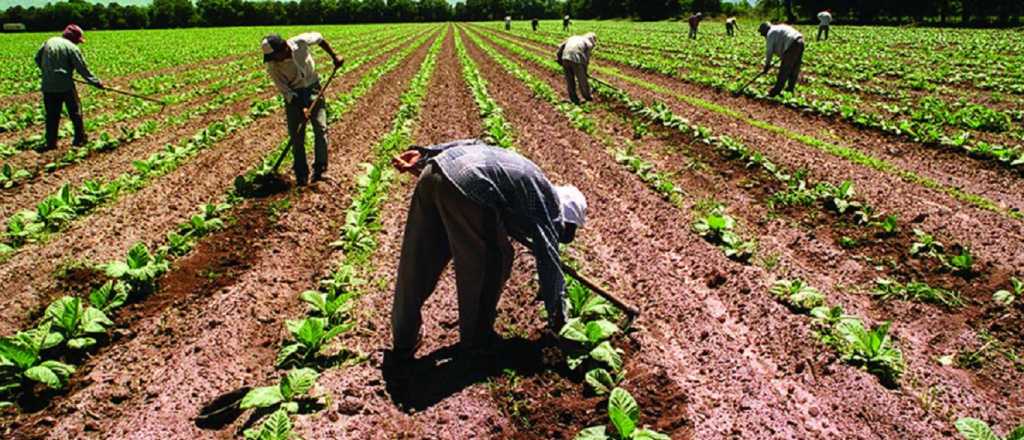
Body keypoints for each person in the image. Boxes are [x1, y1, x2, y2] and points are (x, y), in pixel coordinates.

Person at [387, 139, 588, 363]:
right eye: (566, 230)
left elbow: (476, 144)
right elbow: (549, 260)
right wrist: (559, 321)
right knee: (494, 261)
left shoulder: (529, 177)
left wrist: (426, 155)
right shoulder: (547, 203)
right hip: (468, 186)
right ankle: (477, 342)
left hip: (434, 172)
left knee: (419, 260)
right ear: (565, 217)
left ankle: (404, 338)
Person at [261, 32, 344, 186]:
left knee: (321, 128)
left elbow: (320, 38)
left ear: (283, 48)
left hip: (314, 89)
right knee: (297, 136)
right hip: (294, 97)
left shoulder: (300, 42)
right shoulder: (273, 66)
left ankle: (319, 170)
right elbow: (286, 91)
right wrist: (302, 107)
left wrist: (334, 56)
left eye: (274, 56)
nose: (273, 60)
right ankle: (301, 176)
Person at [35, 24, 103, 152]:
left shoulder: (49, 41)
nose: (78, 43)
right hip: (65, 85)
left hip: (48, 85)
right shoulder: (72, 48)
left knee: (52, 115)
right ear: (74, 38)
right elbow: (82, 69)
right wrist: (96, 82)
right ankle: (80, 139)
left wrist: (48, 72)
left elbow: (37, 58)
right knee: (75, 112)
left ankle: (51, 143)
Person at [759, 22, 805, 97]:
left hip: (792, 44)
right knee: (795, 67)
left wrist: (767, 65)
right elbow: (783, 39)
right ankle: (790, 89)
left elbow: (769, 51)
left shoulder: (770, 33)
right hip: (800, 42)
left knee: (784, 69)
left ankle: (776, 91)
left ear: (765, 30)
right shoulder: (778, 28)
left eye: (763, 34)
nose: (763, 36)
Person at [556, 32, 597, 105]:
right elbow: (586, 59)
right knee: (582, 80)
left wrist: (559, 59)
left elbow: (560, 48)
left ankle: (573, 98)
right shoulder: (588, 43)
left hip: (565, 58)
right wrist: (584, 71)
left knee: (569, 79)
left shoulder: (572, 38)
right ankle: (587, 96)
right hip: (576, 59)